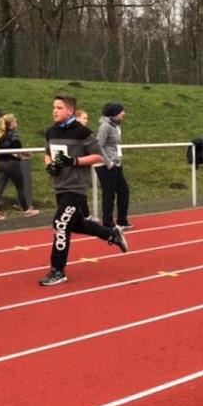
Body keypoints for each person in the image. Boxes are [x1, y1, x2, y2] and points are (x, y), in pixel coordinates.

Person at [39, 95, 129, 286]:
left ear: (70, 110)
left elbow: (98, 156)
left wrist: (74, 161)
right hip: (59, 185)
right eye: (54, 107)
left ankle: (57, 270)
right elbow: (47, 153)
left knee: (60, 224)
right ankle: (111, 234)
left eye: (59, 108)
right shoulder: (51, 131)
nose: (55, 111)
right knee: (76, 224)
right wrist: (49, 165)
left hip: (76, 187)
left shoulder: (82, 132)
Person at [0, 114, 40, 220]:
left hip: (1, 164)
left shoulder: (0, 136)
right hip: (12, 165)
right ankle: (26, 210)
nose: (17, 123)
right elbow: (16, 151)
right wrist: (27, 154)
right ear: (11, 124)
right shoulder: (14, 136)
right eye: (15, 121)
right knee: (20, 187)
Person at [96, 102, 132, 230]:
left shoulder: (116, 125)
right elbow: (98, 146)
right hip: (105, 165)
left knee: (123, 191)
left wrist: (116, 161)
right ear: (115, 113)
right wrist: (108, 162)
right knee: (109, 194)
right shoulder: (105, 126)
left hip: (116, 163)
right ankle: (107, 223)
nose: (124, 113)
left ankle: (122, 220)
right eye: (122, 111)